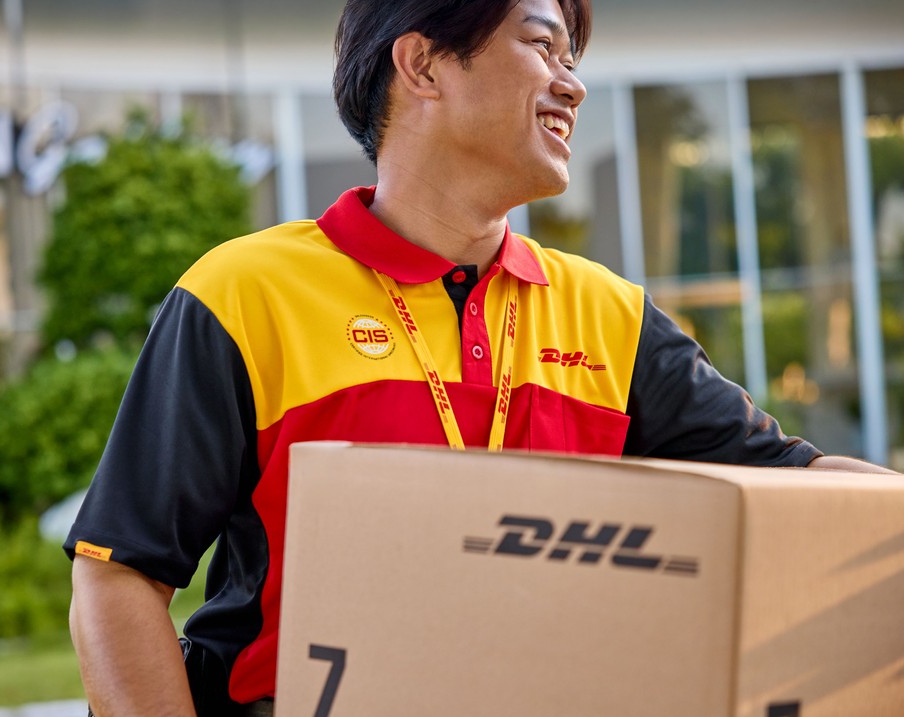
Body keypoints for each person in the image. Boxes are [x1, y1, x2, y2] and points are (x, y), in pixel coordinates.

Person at [66, 0, 897, 714]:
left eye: (573, 59)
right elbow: (118, 577)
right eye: (541, 46)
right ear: (423, 64)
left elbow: (798, 482)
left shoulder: (609, 315)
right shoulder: (245, 294)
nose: (572, 85)